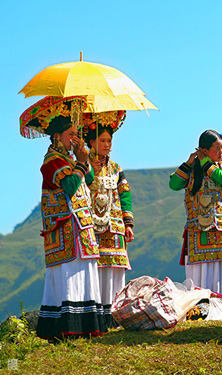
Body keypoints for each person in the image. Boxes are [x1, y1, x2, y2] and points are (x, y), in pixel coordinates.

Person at [20, 96, 106, 340]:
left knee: (85, 271)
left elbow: (89, 182)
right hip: (64, 228)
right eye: (71, 134)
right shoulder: (51, 161)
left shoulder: (71, 158)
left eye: (76, 134)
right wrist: (80, 162)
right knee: (68, 274)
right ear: (57, 136)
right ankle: (66, 327)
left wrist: (84, 159)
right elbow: (69, 185)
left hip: (82, 226)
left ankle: (87, 326)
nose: (75, 139)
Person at [169, 130, 222, 298]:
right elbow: (174, 184)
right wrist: (189, 163)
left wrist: (206, 163)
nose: (221, 152)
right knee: (201, 269)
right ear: (205, 150)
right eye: (217, 148)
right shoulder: (191, 171)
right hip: (198, 230)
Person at [82, 111, 134, 328]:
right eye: (102, 140)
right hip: (93, 228)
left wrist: (128, 223)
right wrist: (87, 171)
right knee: (97, 270)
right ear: (91, 142)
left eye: (109, 140)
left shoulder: (116, 168)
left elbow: (125, 194)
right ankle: (97, 318)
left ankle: (115, 315)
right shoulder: (82, 165)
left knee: (115, 270)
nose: (107, 144)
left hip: (115, 227)